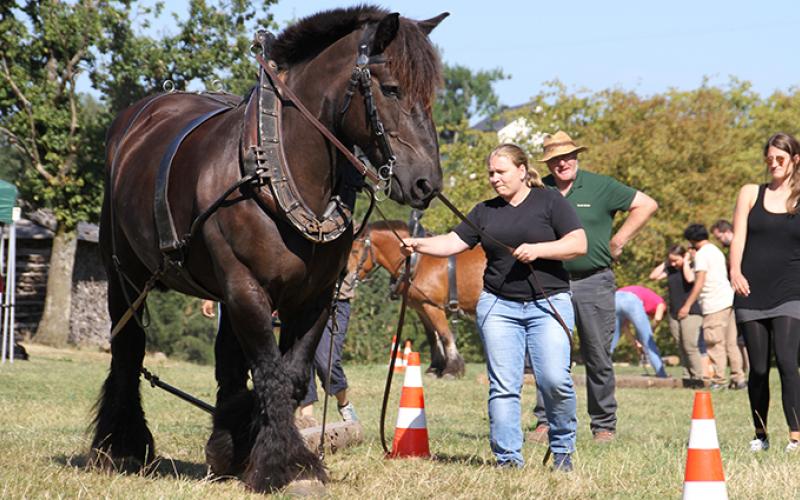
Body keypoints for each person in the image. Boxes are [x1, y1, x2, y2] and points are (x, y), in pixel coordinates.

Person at [401, 143, 587, 471]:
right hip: (499, 306)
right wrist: (419, 245)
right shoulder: (485, 211)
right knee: (503, 385)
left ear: (521, 171)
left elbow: (578, 244)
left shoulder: (550, 201)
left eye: (500, 172)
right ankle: (508, 461)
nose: (494, 179)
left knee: (555, 380)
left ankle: (562, 451)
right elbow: (454, 242)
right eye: (491, 173)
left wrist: (539, 250)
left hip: (548, 303)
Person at [533, 131, 658, 444]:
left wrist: (619, 240)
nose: (563, 163)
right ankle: (545, 421)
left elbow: (646, 204)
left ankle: (603, 425)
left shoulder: (601, 186)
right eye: (555, 159)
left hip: (594, 281)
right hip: (551, 282)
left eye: (567, 156)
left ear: (577, 156)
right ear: (547, 164)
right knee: (548, 353)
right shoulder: (539, 190)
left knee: (598, 355)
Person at [729, 132, 800, 453]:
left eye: (780, 159)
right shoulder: (749, 193)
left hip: (791, 290)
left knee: (787, 361)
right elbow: (739, 238)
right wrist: (734, 271)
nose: (773, 164)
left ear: (794, 160)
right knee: (757, 368)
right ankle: (761, 434)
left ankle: (796, 435)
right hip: (751, 289)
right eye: (769, 159)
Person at [678, 223, 745, 390]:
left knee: (714, 343)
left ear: (692, 240)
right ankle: (739, 378)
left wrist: (687, 305)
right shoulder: (716, 251)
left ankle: (719, 380)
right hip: (728, 300)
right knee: (731, 343)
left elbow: (699, 282)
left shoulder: (702, 255)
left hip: (713, 303)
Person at [297, 270, 359, 425]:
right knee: (302, 359)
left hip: (336, 301)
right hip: (302, 300)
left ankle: (344, 405)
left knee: (327, 363)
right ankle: (307, 419)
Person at [649, 245, 705, 387]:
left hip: (691, 312)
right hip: (674, 313)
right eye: (671, 260)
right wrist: (666, 263)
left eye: (676, 260)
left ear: (684, 256)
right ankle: (687, 377)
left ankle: (698, 378)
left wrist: (685, 261)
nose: (674, 263)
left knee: (690, 345)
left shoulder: (693, 266)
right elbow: (653, 276)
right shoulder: (671, 269)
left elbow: (690, 278)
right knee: (680, 346)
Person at [611, 285, 668, 378]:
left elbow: (625, 327)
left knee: (610, 341)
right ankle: (662, 375)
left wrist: (635, 343)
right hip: (632, 299)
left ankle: (601, 374)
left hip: (615, 297)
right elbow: (658, 318)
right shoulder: (661, 303)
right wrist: (650, 332)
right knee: (649, 342)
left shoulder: (646, 297)